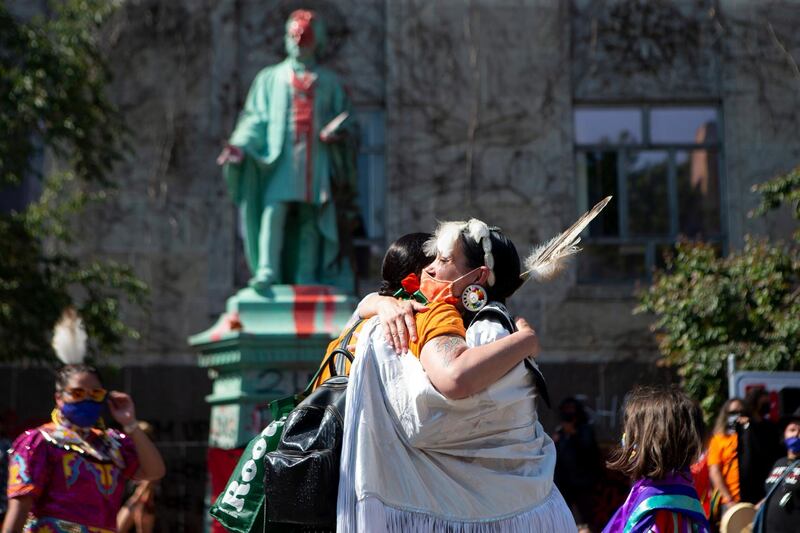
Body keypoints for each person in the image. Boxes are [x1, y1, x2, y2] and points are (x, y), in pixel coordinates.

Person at [337, 220, 575, 531]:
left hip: (498, 510)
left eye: (443, 260)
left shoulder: (487, 328)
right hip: (502, 507)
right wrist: (526, 340)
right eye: (430, 260)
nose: (429, 271)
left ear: (477, 277)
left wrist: (524, 341)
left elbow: (458, 382)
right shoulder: (433, 317)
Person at [217, 9, 358, 291]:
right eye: (294, 36)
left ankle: (306, 275)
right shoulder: (270, 79)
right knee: (274, 211)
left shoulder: (328, 82)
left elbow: (347, 121)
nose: (298, 42)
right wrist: (240, 145)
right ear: (285, 39)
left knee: (310, 217)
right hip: (279, 162)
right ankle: (266, 270)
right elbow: (255, 119)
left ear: (316, 41)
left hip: (315, 160)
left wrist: (338, 132)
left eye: (304, 37)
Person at [2, 311, 165, 533]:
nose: (87, 399)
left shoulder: (112, 445)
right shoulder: (40, 442)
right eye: (77, 393)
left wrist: (131, 424)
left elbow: (154, 471)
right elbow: (20, 507)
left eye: (95, 393)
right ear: (59, 398)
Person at [602, 386, 711, 533]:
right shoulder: (665, 492)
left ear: (652, 442)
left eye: (631, 432)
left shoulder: (662, 506)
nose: (625, 439)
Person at [554, 397, 603, 530]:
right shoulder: (560, 433)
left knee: (588, 519)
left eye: (571, 410)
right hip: (565, 485)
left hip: (584, 484)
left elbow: (590, 453)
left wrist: (574, 434)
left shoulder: (585, 430)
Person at [753, 407, 800, 532]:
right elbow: (773, 491)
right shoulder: (779, 463)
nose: (796, 434)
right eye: (792, 430)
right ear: (784, 434)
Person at [737, 388, 783, 503]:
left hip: (766, 483)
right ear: (753, 403)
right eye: (764, 403)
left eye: (768, 403)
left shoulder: (771, 427)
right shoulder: (742, 426)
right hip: (745, 486)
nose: (767, 406)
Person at [116, 422, 159, 533]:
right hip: (135, 500)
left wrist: (135, 499)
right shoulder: (134, 454)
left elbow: (150, 481)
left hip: (142, 502)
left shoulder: (149, 456)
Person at [708, 398, 746, 510]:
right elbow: (715, 471)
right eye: (733, 412)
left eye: (741, 412)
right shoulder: (718, 439)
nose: (737, 416)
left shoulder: (750, 435)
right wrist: (729, 499)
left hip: (751, 500)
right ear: (726, 415)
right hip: (729, 501)